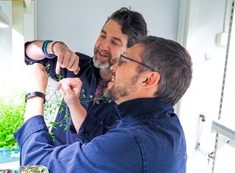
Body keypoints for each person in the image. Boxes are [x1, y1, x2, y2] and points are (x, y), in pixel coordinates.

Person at [14, 35, 193, 173]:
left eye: (123, 61)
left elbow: (34, 168)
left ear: (148, 79)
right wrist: (73, 103)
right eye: (103, 35)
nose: (114, 67)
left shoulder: (131, 143)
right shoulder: (166, 125)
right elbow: (105, 137)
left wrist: (35, 93)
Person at [24, 7, 148, 145]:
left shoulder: (130, 100)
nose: (103, 45)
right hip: (51, 160)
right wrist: (54, 46)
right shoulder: (78, 64)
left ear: (130, 52)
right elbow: (29, 54)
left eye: (115, 42)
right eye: (103, 35)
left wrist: (73, 104)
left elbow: (104, 146)